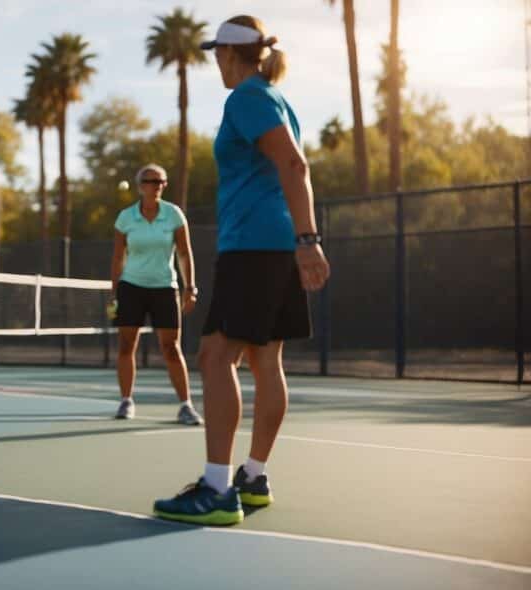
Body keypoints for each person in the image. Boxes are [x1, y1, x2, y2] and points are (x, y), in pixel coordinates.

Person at [153, 16, 331, 526]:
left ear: (229, 55)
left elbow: (294, 166)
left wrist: (309, 240)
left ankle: (215, 489)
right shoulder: (274, 99)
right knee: (264, 360)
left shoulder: (248, 99)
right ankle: (252, 477)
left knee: (214, 356)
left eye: (216, 53)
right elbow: (293, 168)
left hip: (254, 247)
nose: (214, 62)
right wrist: (301, 241)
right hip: (272, 245)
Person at [110, 164, 204, 426]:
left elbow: (184, 253)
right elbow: (118, 257)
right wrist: (114, 292)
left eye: (162, 181)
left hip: (165, 287)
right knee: (127, 346)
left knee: (171, 348)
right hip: (131, 287)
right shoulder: (125, 218)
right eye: (152, 181)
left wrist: (190, 287)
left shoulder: (174, 214)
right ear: (141, 186)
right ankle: (126, 400)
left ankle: (186, 405)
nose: (158, 185)